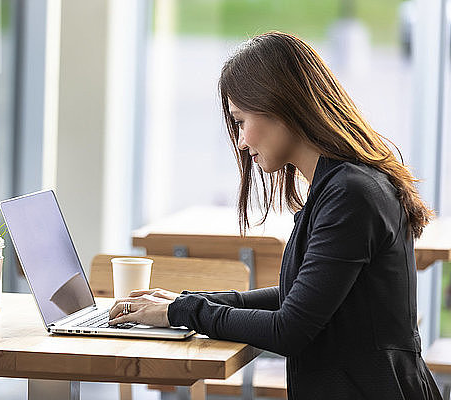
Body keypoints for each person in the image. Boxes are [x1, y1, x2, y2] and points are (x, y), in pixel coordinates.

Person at [108, 31, 443, 399]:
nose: (240, 141)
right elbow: (298, 299)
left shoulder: (351, 192)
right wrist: (181, 304)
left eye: (240, 121)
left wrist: (184, 312)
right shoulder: (339, 185)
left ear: (280, 105)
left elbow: (290, 328)